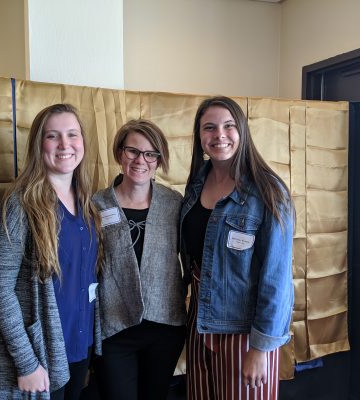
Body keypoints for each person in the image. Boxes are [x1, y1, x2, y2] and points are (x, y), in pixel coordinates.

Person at [181, 96, 294, 400]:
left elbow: (277, 279)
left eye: (228, 126)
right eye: (209, 128)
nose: (219, 135)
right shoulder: (195, 185)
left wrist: (260, 348)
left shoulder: (269, 192)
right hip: (200, 324)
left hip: (244, 333)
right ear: (199, 136)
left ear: (242, 131)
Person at [0, 103, 101, 399]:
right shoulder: (19, 204)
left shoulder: (88, 203)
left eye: (72, 135)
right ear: (39, 145)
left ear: (83, 142)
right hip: (40, 354)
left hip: (80, 345)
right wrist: (26, 363)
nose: (65, 144)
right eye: (53, 136)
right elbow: (0, 288)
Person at [92, 119, 186, 400]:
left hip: (164, 325)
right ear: (120, 153)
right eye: (132, 151)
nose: (140, 160)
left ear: (159, 160)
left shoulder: (174, 203)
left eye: (150, 154)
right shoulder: (96, 204)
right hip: (114, 327)